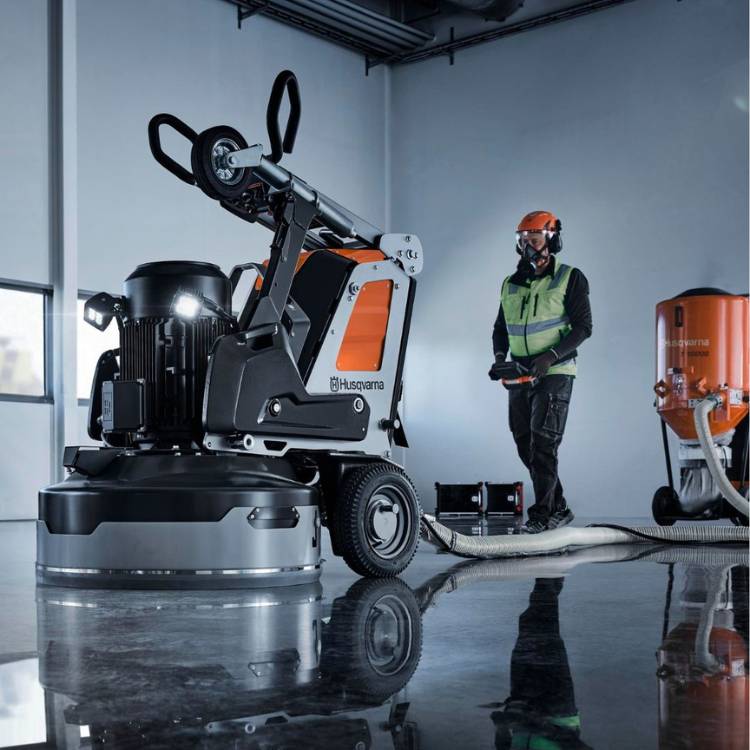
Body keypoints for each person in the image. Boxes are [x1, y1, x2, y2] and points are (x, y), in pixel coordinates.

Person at [489, 211, 592, 534]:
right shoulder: (511, 283)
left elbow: (584, 327)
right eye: (523, 241)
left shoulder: (570, 278)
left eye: (533, 240)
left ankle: (542, 516)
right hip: (519, 373)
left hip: (555, 370)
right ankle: (559, 507)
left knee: (544, 443)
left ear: (552, 241)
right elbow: (500, 328)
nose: (527, 247)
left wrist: (550, 356)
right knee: (525, 443)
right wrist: (499, 358)